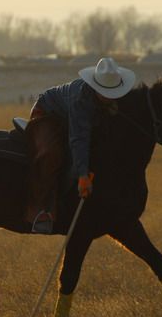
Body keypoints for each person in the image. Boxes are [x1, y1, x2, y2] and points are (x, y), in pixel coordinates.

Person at [25, 57, 136, 233]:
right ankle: (41, 210)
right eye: (106, 93)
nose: (110, 97)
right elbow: (79, 138)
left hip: (70, 116)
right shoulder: (81, 100)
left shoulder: (112, 97)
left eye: (113, 93)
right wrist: (83, 176)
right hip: (47, 112)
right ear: (96, 88)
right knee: (51, 154)